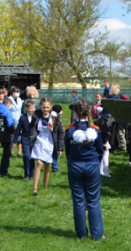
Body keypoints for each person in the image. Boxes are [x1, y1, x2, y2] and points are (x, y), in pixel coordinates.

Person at [65, 100, 105, 240]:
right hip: (92, 165)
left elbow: (67, 151)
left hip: (75, 166)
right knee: (93, 201)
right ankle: (97, 234)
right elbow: (100, 150)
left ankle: (81, 234)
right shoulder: (95, 129)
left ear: (75, 112)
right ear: (88, 112)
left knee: (78, 201)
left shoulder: (69, 129)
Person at [31, 98, 56, 194]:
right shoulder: (36, 116)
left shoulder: (54, 117)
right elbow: (32, 127)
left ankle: (45, 186)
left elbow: (59, 132)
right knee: (39, 162)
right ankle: (35, 187)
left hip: (49, 141)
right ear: (40, 107)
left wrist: (60, 147)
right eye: (44, 107)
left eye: (47, 107)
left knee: (46, 165)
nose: (45, 109)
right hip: (39, 140)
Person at [0, 97, 18, 177]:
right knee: (7, 153)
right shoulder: (7, 112)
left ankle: (1, 169)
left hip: (1, 134)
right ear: (8, 105)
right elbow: (10, 124)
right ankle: (4, 170)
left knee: (4, 152)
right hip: (7, 135)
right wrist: (14, 130)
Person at [51, 104, 65, 173]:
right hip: (54, 139)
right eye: (61, 110)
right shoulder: (56, 118)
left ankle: (54, 167)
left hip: (54, 138)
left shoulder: (57, 117)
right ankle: (54, 168)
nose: (62, 112)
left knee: (54, 154)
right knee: (55, 154)